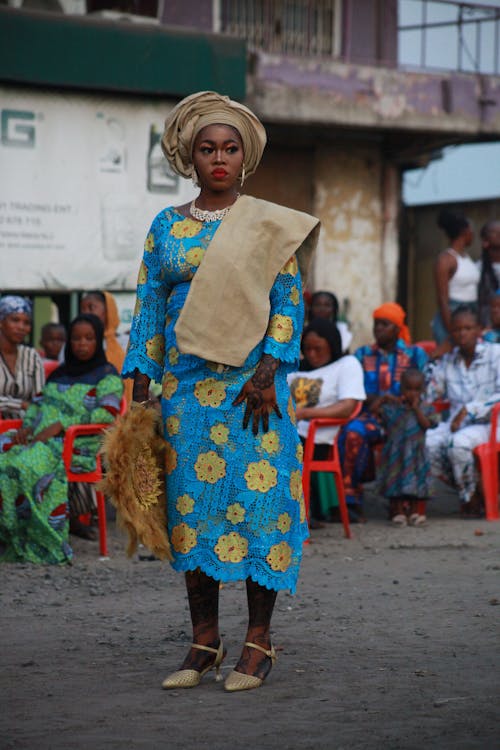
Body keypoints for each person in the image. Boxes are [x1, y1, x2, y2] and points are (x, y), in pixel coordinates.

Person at [122, 91, 319, 692]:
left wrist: (267, 376)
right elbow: (149, 305)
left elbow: (288, 302)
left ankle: (259, 644)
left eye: (229, 148)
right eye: (207, 149)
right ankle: (204, 641)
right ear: (189, 156)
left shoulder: (264, 225)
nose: (218, 158)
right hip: (185, 395)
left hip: (251, 393)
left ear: (244, 157)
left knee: (258, 509)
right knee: (191, 515)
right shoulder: (167, 227)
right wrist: (137, 389)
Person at [0, 314, 123, 563]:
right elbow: (37, 404)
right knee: (4, 450)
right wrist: (26, 427)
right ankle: (11, 534)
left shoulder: (107, 374)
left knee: (22, 465)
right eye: (76, 338)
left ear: (98, 340)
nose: (82, 344)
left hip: (75, 444)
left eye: (89, 338)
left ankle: (42, 541)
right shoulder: (59, 373)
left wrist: (61, 426)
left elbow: (107, 413)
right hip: (39, 438)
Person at [338, 302, 427, 520]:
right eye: (376, 324)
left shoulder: (415, 355)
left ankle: (405, 502)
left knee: (408, 438)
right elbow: (353, 388)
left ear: (397, 329)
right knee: (352, 432)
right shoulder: (362, 354)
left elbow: (425, 388)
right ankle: (350, 500)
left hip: (405, 419)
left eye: (385, 325)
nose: (378, 329)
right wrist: (378, 400)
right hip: (373, 417)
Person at [287, 318, 365, 526]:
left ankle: (297, 516)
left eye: (318, 349)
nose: (312, 354)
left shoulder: (346, 364)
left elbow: (347, 406)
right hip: (288, 430)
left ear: (332, 345)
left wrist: (305, 413)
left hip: (317, 438)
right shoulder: (295, 367)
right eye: (307, 349)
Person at [425, 305, 500, 516]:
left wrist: (470, 410)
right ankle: (471, 489)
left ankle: (470, 500)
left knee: (457, 443)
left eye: (468, 328)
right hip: (457, 425)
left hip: (491, 423)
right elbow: (428, 395)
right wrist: (433, 359)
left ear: (479, 330)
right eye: (457, 329)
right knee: (425, 443)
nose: (462, 334)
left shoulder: (495, 354)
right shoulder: (449, 360)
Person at [375, 368, 437, 526]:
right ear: (401, 388)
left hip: (416, 452)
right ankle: (398, 512)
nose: (412, 393)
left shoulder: (426, 408)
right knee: (395, 483)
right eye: (408, 389)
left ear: (423, 389)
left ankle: (415, 512)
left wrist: (416, 409)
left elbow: (427, 425)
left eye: (417, 389)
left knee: (417, 483)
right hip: (396, 453)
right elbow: (374, 411)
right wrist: (383, 399)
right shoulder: (394, 408)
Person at [432, 208, 478, 346]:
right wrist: (452, 330)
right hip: (452, 316)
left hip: (470, 313)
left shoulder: (467, 258)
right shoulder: (446, 260)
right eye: (472, 232)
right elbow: (442, 299)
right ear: (466, 232)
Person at [80, 291, 133, 404]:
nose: (86, 313)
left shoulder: (125, 343)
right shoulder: (76, 345)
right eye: (82, 308)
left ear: (108, 311)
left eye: (91, 307)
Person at [0, 295, 45, 419]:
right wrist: (20, 404)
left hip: (24, 427)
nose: (21, 327)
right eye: (15, 320)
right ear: (1, 322)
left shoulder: (31, 356)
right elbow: (28, 405)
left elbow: (40, 398)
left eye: (26, 323)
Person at [477, 220, 500, 328]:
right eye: (494, 232)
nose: (499, 233)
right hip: (487, 327)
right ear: (485, 242)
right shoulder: (478, 269)